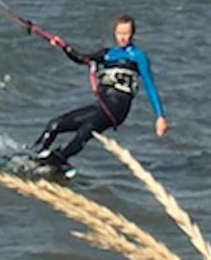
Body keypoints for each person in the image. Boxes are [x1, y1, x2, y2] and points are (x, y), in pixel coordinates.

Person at [31, 15, 169, 171]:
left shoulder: (138, 56)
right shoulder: (107, 54)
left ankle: (59, 159)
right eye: (119, 33)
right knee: (55, 124)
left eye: (126, 33)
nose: (122, 37)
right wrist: (64, 47)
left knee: (86, 129)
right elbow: (81, 58)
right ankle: (33, 154)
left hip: (117, 108)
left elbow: (150, 86)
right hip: (101, 106)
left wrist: (160, 116)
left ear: (133, 34)